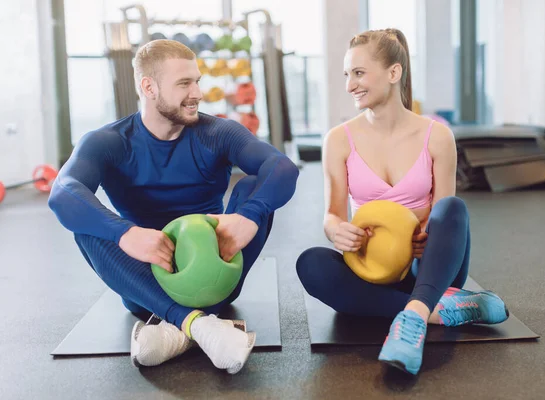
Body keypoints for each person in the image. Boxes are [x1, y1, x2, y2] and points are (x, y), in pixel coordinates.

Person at [49, 39, 299, 373]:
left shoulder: (218, 132)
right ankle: (201, 326)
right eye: (184, 83)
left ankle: (177, 327)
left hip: (216, 278)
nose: (197, 92)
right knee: (87, 226)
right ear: (148, 87)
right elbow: (63, 192)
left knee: (255, 188)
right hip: (144, 282)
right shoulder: (108, 142)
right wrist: (126, 234)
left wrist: (248, 218)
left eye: (197, 81)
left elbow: (281, 167)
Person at [295, 29, 508, 375]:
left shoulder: (437, 136)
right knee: (310, 263)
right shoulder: (338, 140)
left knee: (453, 209)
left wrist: (425, 230)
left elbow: (444, 209)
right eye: (347, 75)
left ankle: (413, 315)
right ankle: (433, 312)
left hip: (428, 267)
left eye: (359, 73)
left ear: (394, 73)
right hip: (372, 270)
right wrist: (338, 232)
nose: (350, 85)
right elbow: (332, 215)